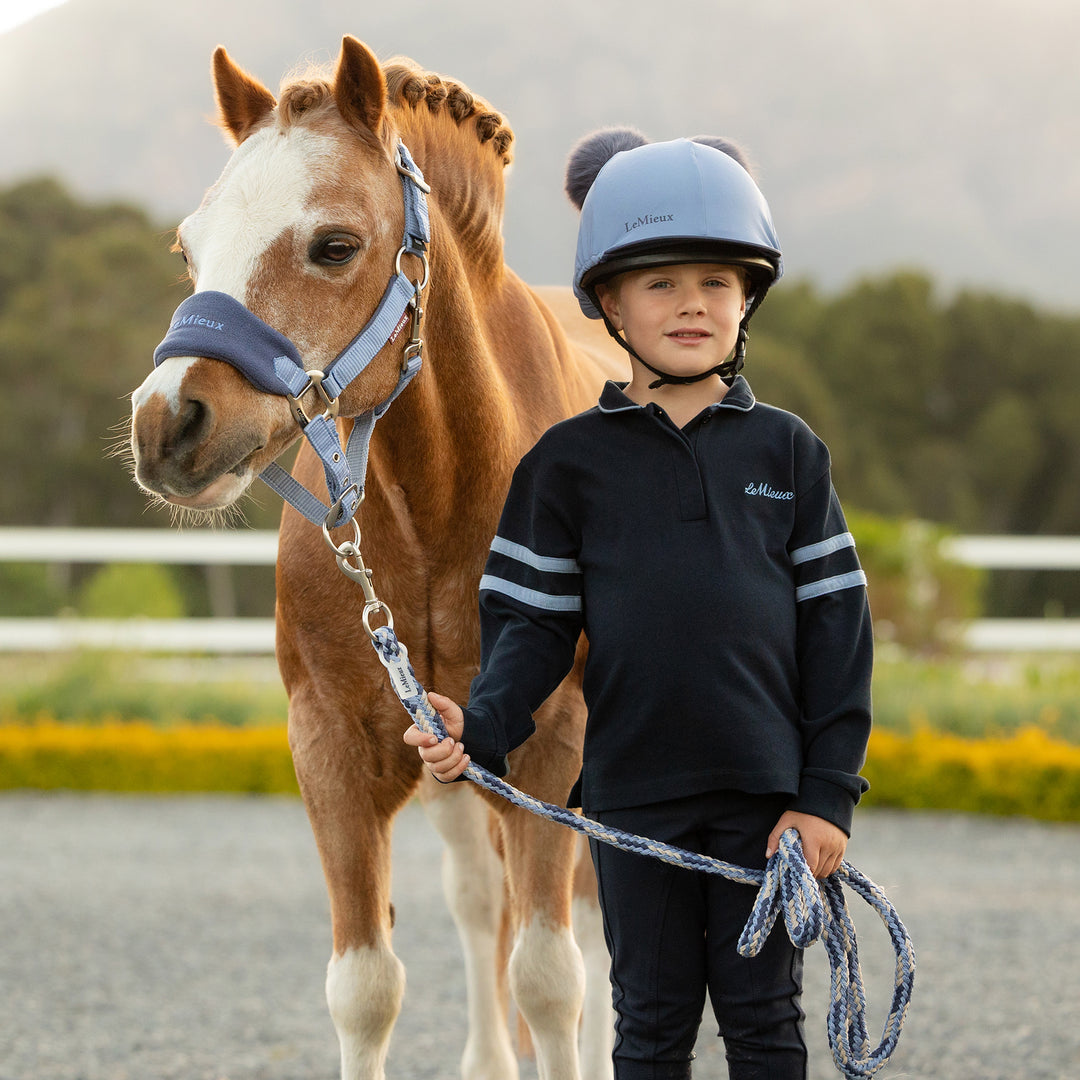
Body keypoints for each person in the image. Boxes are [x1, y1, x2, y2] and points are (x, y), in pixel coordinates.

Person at [404, 128, 873, 1080]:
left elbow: (838, 634)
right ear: (608, 303)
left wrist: (825, 797)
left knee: (767, 1025)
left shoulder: (790, 455)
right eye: (659, 282)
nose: (692, 303)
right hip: (633, 803)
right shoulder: (567, 467)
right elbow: (531, 630)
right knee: (649, 1025)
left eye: (717, 281)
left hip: (768, 806)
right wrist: (481, 725)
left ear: (750, 299)